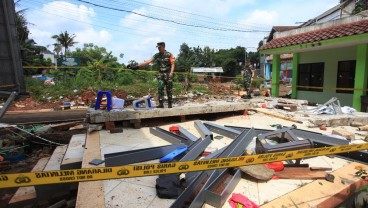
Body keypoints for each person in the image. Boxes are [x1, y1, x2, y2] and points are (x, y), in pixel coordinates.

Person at [127, 42, 175, 108]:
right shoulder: (156, 55)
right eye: (158, 47)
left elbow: (173, 64)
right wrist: (136, 66)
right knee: (160, 88)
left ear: (163, 47)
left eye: (159, 47)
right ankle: (161, 104)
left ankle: (170, 104)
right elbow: (148, 61)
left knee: (169, 90)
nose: (158, 48)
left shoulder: (169, 54)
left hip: (168, 74)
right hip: (161, 74)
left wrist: (171, 72)